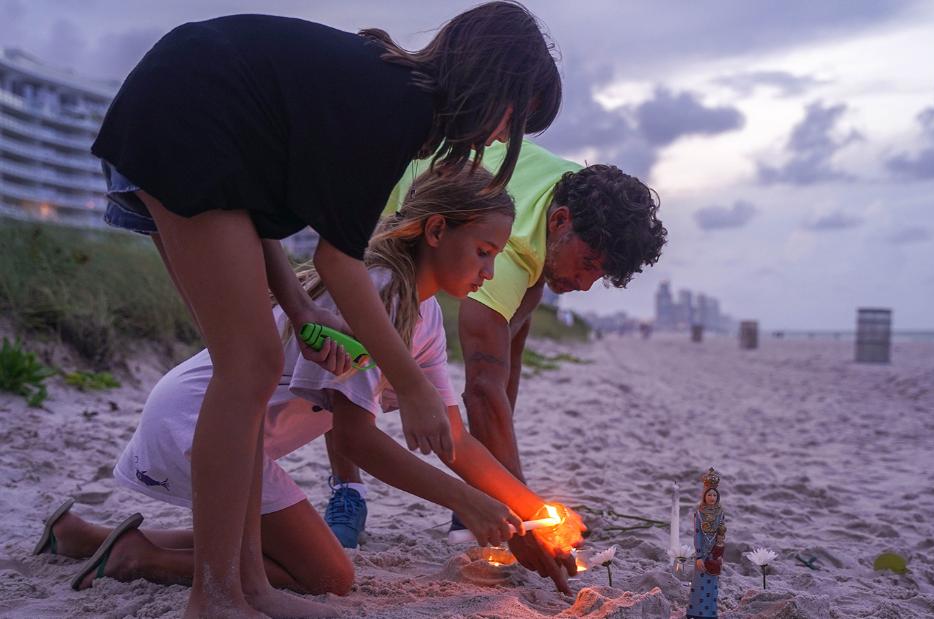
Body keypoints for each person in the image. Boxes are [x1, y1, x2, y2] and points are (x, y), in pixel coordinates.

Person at [89, 5, 561, 615]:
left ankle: (247, 587)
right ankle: (216, 598)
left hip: (196, 117)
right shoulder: (398, 106)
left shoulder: (388, 96)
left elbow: (260, 203)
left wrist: (300, 308)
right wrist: (412, 387)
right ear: (496, 83)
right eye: (514, 120)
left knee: (251, 366)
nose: (500, 138)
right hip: (183, 112)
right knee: (250, 365)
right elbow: (339, 261)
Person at [33, 168, 584, 599]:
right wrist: (469, 501)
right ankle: (135, 558)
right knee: (329, 574)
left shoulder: (428, 317)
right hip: (196, 425)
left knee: (287, 552)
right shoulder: (375, 290)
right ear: (437, 231)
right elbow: (353, 441)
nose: (490, 273)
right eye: (484, 252)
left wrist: (538, 515)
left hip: (239, 442)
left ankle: (85, 537)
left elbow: (455, 440)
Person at [319, 139, 667, 575]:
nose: (586, 283)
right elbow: (481, 391)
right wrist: (526, 519)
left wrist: (502, 492)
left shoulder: (578, 201)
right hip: (399, 171)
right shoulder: (510, 248)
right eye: (589, 263)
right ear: (559, 222)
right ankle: (347, 490)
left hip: (480, 209)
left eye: (602, 274)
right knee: (357, 344)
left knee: (489, 361)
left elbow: (503, 376)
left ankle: (483, 487)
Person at [687, 468, 725, 619]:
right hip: (702, 552)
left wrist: (720, 550)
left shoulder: (720, 512)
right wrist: (698, 556)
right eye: (709, 494)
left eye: (714, 495)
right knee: (699, 583)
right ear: (704, 495)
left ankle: (710, 614)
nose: (712, 497)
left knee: (712, 583)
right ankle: (696, 614)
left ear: (718, 496)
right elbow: (697, 534)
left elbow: (722, 534)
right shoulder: (699, 513)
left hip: (714, 553)